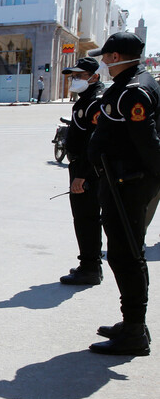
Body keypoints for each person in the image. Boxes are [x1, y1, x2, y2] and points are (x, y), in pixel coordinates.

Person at [86, 32, 160, 356]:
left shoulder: (134, 92)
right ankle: (132, 322)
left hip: (129, 185)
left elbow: (149, 145)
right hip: (122, 183)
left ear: (116, 57)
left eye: (106, 56)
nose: (102, 61)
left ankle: (134, 331)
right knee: (126, 253)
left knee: (126, 254)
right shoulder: (134, 83)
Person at [59, 57, 106, 286]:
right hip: (81, 166)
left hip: (87, 170)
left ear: (94, 77)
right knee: (84, 218)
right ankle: (89, 264)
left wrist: (83, 174)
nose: (75, 79)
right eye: (74, 76)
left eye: (80, 75)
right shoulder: (86, 99)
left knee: (86, 218)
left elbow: (94, 142)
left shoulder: (95, 102)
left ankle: (90, 268)